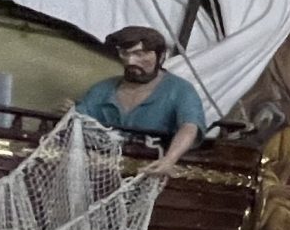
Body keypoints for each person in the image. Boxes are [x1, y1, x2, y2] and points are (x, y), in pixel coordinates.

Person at [75, 26, 205, 171]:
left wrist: (169, 159)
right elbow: (79, 120)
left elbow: (189, 127)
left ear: (161, 56)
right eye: (125, 53)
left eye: (140, 54)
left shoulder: (180, 90)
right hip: (101, 169)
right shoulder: (102, 89)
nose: (131, 61)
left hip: (151, 168)